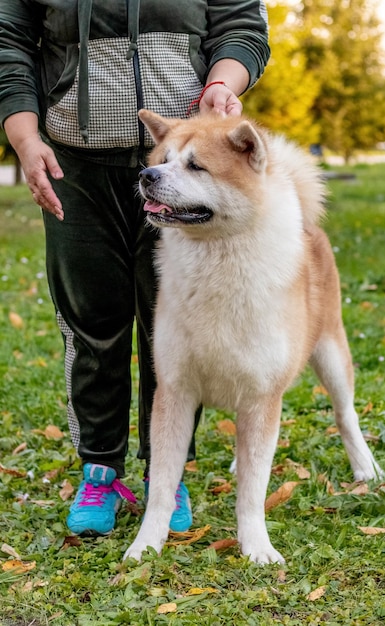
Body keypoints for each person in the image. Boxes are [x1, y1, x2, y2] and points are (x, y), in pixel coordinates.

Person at [0, 0, 270, 537]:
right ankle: (99, 469)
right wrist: (26, 142)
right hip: (74, 163)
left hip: (183, 166)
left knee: (172, 331)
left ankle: (167, 478)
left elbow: (241, 26)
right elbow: (9, 43)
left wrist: (223, 81)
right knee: (92, 321)